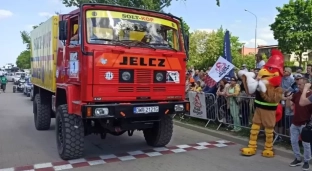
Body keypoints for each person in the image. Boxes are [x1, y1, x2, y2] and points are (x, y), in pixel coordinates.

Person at [286, 78, 312, 170]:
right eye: (297, 84)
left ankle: (306, 161)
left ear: (305, 85)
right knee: (293, 141)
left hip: (305, 123)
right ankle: (297, 158)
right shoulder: (296, 95)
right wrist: (288, 100)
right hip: (295, 122)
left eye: (300, 84)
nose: (298, 86)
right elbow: (290, 107)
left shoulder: (310, 95)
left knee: (306, 144)